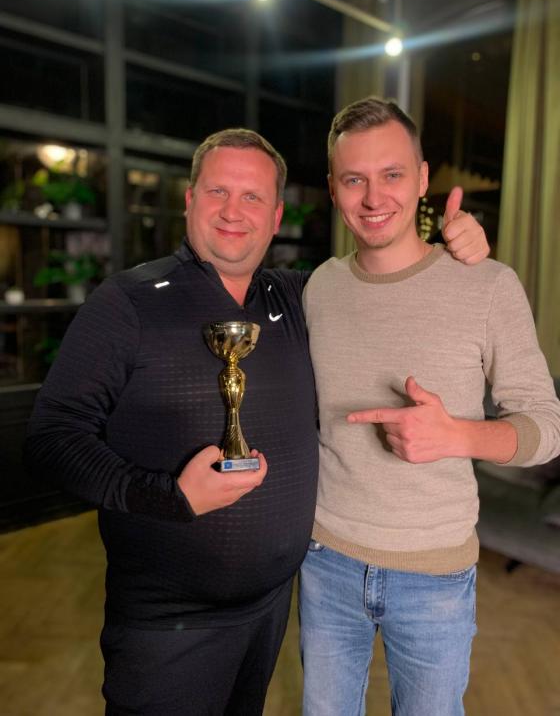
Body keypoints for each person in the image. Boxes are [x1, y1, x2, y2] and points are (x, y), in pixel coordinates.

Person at [25, 127, 488, 716]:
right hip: (167, 623)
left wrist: (450, 251)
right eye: (218, 191)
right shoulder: (128, 302)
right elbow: (51, 438)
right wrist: (167, 496)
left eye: (253, 197)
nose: (233, 211)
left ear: (275, 217)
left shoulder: (299, 297)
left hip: (271, 611)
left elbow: (378, 282)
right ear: (190, 200)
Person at [299, 97, 560, 716]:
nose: (373, 197)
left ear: (421, 179)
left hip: (435, 575)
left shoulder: (488, 285)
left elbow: (547, 428)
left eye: (392, 174)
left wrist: (457, 437)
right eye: (354, 179)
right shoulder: (319, 288)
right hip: (325, 561)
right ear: (333, 188)